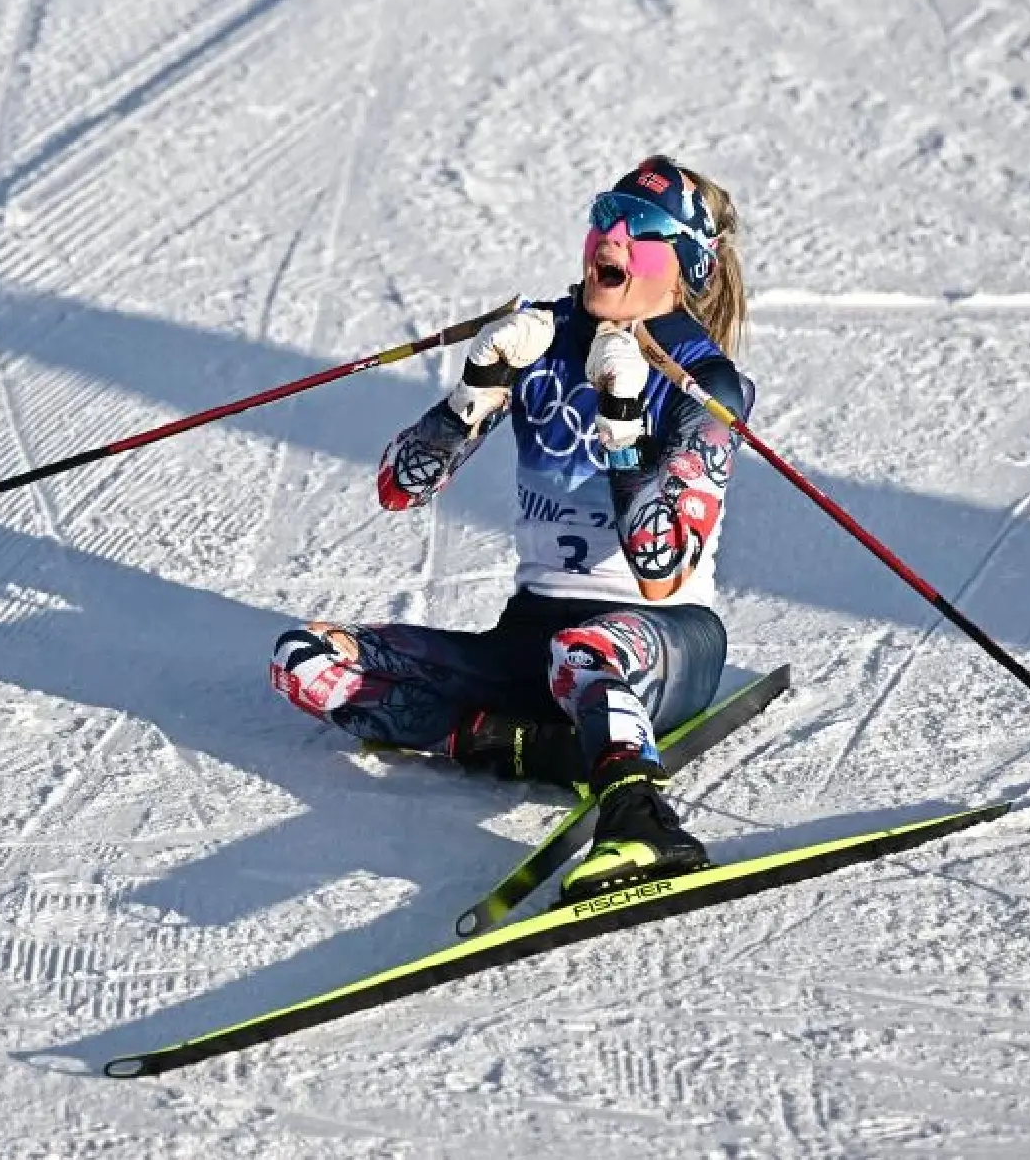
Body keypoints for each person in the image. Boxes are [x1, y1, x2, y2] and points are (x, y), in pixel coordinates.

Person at [269, 156, 753, 902]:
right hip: (531, 638)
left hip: (663, 636)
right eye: (605, 213)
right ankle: (544, 743)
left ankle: (640, 819)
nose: (612, 236)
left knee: (583, 648)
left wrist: (622, 422)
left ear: (684, 262)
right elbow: (400, 488)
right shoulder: (546, 337)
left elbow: (661, 563)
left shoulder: (704, 380)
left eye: (643, 227)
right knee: (305, 660)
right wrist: (475, 389)